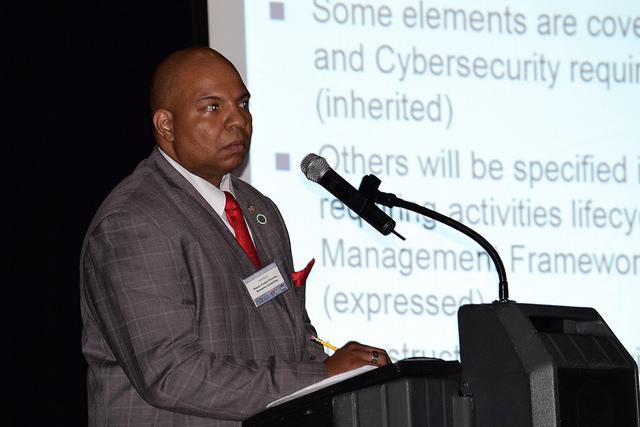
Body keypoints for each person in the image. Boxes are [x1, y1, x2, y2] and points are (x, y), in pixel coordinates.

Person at [79, 46, 390, 426]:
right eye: (212, 107)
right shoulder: (132, 221)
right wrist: (320, 376)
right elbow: (172, 374)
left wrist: (349, 376)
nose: (238, 121)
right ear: (166, 125)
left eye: (242, 104)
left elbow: (292, 337)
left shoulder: (260, 210)